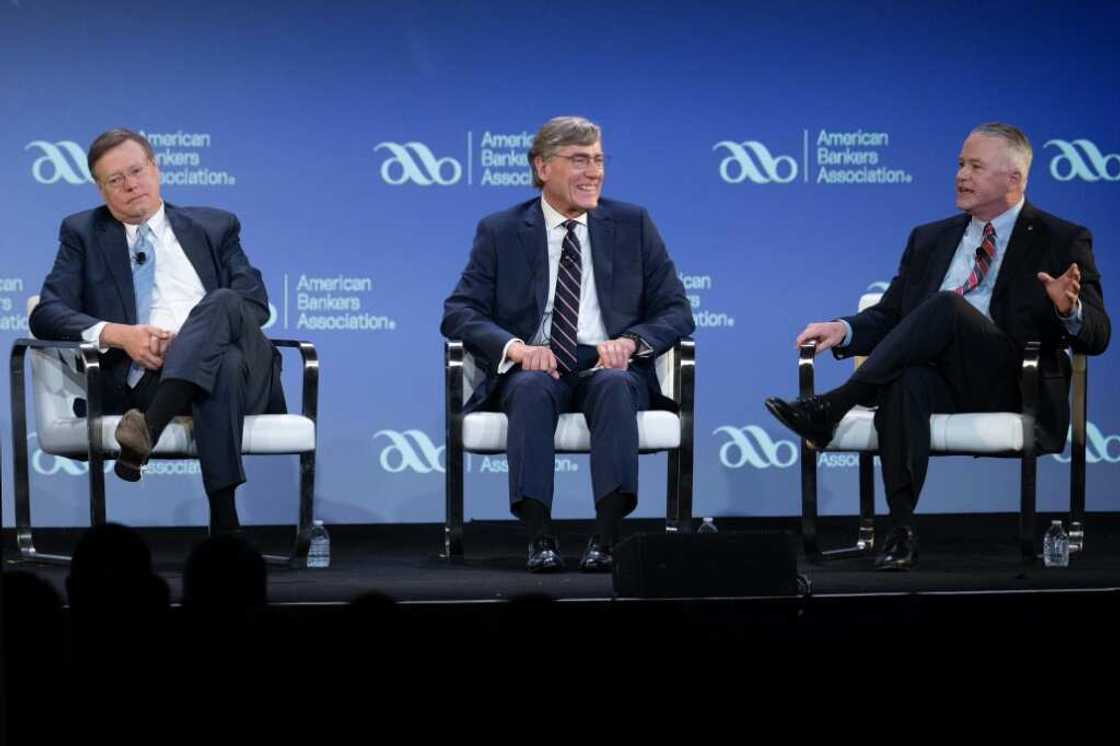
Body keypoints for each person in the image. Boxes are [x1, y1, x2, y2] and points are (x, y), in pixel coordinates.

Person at [766, 122, 1110, 570]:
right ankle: (901, 531)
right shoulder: (930, 238)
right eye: (960, 164)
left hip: (1012, 381)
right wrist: (843, 330)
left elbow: (1099, 335)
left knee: (947, 306)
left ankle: (835, 405)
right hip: (941, 378)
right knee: (906, 379)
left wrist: (1070, 310)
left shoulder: (1061, 238)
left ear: (1014, 178)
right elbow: (892, 315)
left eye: (975, 166)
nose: (961, 175)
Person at [441, 116, 695, 573]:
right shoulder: (501, 230)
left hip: (608, 365)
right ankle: (540, 537)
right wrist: (517, 349)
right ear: (543, 168)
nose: (593, 172)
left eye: (598, 160)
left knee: (615, 386)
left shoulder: (633, 223)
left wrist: (632, 342)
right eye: (579, 160)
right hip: (536, 365)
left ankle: (607, 538)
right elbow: (459, 311)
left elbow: (677, 310)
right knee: (530, 389)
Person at [30, 128, 285, 535]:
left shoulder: (215, 226)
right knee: (224, 363)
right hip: (147, 380)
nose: (131, 185)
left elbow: (253, 304)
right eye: (116, 179)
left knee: (224, 302)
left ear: (156, 169)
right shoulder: (82, 233)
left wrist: (190, 341)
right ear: (100, 189)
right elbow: (47, 314)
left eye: (137, 171)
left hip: (248, 380)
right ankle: (225, 524)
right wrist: (120, 335)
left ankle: (148, 428)